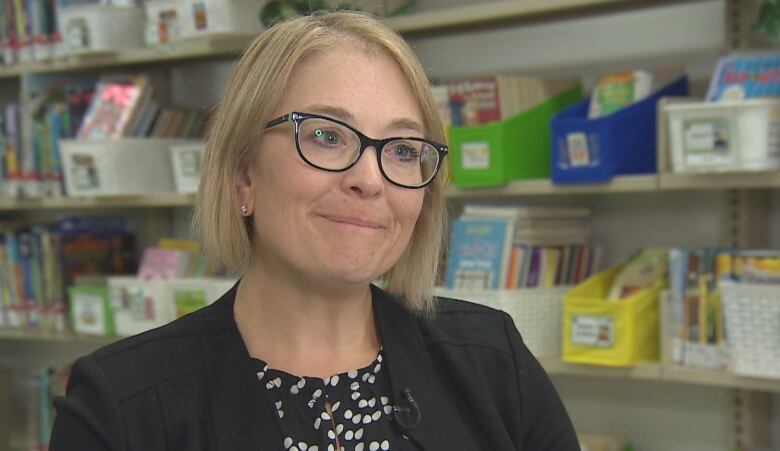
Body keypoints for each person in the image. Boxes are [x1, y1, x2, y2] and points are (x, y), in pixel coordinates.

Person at [50, 11, 578, 451]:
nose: (369, 180)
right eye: (326, 136)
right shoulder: (120, 405)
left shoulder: (493, 361)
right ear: (242, 175)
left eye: (401, 150)